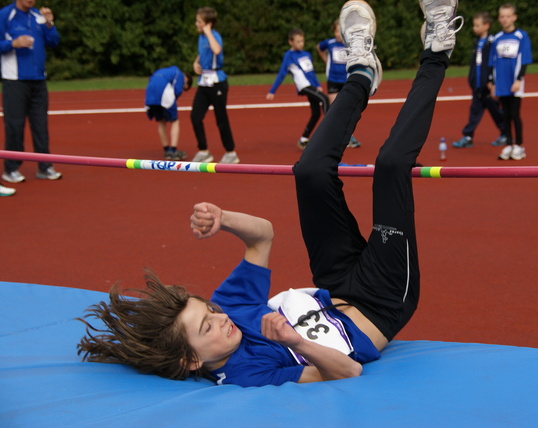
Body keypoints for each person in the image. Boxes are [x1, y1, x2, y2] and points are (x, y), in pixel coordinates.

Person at [77, 0, 463, 387]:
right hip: (381, 301)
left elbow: (262, 236)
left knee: (309, 171)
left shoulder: (229, 308)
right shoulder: (246, 372)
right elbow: (348, 371)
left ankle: (360, 72)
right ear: (190, 360)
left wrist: (224, 219)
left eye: (209, 311)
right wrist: (296, 342)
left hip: (335, 280)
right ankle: (437, 48)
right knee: (392, 165)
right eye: (208, 325)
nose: (221, 318)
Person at [1, 0, 61, 183]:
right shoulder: (5, 15)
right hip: (14, 81)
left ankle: (45, 166)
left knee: (41, 126)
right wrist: (13, 44)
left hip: (38, 80)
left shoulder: (38, 16)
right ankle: (11, 169)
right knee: (15, 126)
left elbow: (54, 42)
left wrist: (50, 24)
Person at [190, 6, 239, 165]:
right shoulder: (201, 37)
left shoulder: (214, 36)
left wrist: (209, 31)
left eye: (199, 22)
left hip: (217, 83)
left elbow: (216, 50)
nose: (196, 24)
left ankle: (231, 152)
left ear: (208, 24)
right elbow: (203, 52)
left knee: (221, 119)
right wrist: (196, 62)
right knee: (195, 116)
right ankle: (203, 151)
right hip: (204, 82)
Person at [267, 28, 329, 150]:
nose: (301, 43)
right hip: (303, 86)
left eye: (302, 41)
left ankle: (303, 139)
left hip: (312, 85)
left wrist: (318, 85)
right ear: (291, 42)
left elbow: (311, 72)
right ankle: (331, 130)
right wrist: (272, 91)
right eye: (298, 41)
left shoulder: (307, 54)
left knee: (316, 113)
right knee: (325, 99)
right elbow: (281, 74)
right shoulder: (289, 56)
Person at [452, 11, 506, 149]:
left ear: (486, 26)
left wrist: (492, 82)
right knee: (474, 111)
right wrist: (472, 79)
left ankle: (505, 133)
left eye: (477, 25)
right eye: (474, 25)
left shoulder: (492, 42)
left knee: (495, 111)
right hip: (477, 84)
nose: (474, 28)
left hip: (488, 85)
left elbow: (494, 64)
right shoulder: (477, 43)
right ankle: (468, 136)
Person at [488, 3, 533, 160]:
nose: (505, 19)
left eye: (508, 16)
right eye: (502, 16)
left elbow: (524, 59)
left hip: (514, 81)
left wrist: (519, 79)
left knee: (514, 113)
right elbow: (492, 61)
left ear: (514, 17)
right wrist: (492, 83)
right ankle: (508, 143)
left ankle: (519, 146)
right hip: (500, 82)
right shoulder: (497, 38)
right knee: (504, 114)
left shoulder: (522, 36)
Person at [317, 20, 361, 148]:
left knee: (346, 109)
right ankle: (334, 136)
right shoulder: (329, 43)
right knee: (334, 110)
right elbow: (319, 48)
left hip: (346, 81)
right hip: (333, 81)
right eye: (336, 31)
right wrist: (326, 60)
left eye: (341, 31)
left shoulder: (350, 45)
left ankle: (348, 136)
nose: (338, 34)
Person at [145, 66, 193, 160]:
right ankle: (173, 150)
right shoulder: (179, 74)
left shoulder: (164, 70)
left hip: (150, 94)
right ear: (186, 79)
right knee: (175, 121)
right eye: (185, 87)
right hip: (163, 93)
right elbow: (177, 90)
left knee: (161, 121)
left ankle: (166, 149)